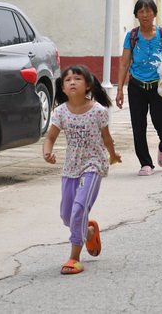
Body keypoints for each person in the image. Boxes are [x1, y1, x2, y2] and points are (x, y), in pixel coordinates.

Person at [42, 65, 122, 275]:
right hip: (71, 167)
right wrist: (47, 152)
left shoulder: (98, 111)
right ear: (63, 87)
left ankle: (74, 258)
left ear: (87, 85)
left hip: (93, 166)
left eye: (77, 79)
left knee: (79, 209)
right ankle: (88, 231)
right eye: (67, 80)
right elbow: (50, 137)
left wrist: (112, 155)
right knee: (67, 216)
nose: (72, 82)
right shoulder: (60, 112)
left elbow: (106, 137)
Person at [116, 0, 162, 176]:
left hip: (160, 86)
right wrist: (120, 89)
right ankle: (145, 163)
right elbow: (124, 63)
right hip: (136, 86)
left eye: (148, 11)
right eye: (141, 11)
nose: (145, 14)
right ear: (136, 15)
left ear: (154, 13)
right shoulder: (132, 36)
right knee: (138, 124)